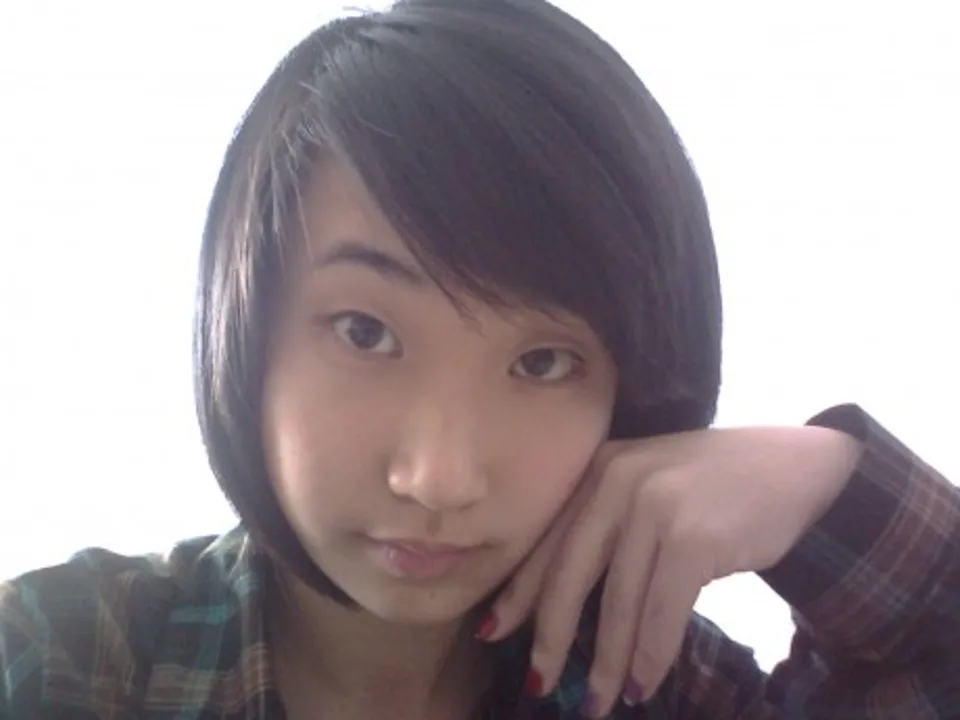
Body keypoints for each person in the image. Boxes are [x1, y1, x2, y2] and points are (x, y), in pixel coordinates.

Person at [2, 0, 957, 718]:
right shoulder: (60, 664)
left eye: (543, 362)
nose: (440, 478)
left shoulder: (663, 691)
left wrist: (831, 485)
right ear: (247, 331)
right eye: (365, 332)